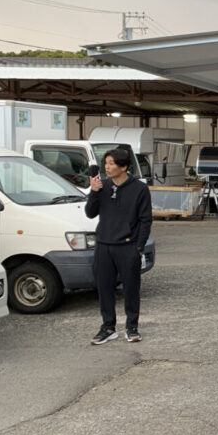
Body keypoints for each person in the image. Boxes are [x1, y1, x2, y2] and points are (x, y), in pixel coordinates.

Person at [85, 146, 153, 345]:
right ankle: (108, 327)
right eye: (105, 163)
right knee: (104, 288)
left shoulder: (139, 189)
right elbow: (90, 213)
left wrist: (139, 247)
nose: (107, 167)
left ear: (123, 167)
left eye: (111, 163)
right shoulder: (102, 186)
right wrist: (94, 191)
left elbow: (145, 220)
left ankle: (132, 327)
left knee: (131, 289)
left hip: (127, 246)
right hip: (103, 246)